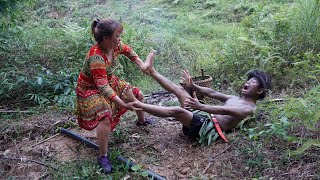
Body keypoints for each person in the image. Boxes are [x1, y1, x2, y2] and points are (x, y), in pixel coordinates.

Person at [123, 53, 272, 145]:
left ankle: (137, 104)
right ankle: (151, 71)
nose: (247, 83)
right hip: (204, 116)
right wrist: (194, 86)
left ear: (259, 90)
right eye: (248, 80)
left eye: (252, 82)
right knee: (180, 90)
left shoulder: (249, 108)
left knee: (177, 111)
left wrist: (200, 106)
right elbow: (212, 93)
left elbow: (223, 109)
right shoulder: (234, 97)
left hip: (207, 128)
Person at [76, 18, 154, 174]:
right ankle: (102, 156)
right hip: (90, 88)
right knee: (104, 116)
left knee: (138, 95)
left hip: (107, 81)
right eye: (117, 35)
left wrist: (142, 64)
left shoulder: (115, 46)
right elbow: (103, 87)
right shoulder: (96, 57)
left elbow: (129, 51)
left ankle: (141, 121)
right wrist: (123, 104)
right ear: (105, 38)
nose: (120, 39)